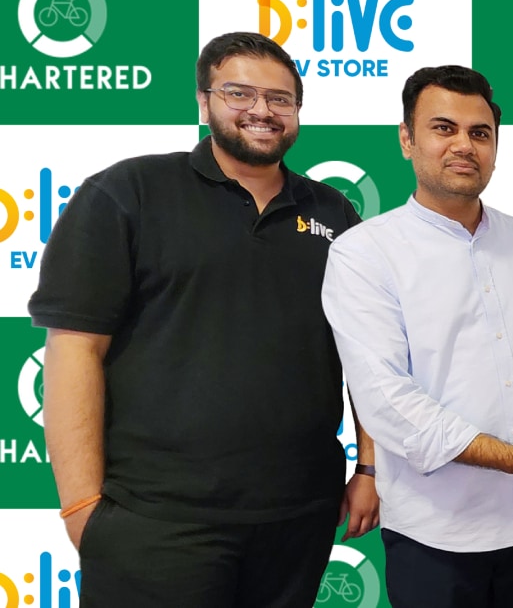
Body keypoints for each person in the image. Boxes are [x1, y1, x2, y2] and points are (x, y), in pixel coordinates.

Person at [29, 31, 380, 607]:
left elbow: (367, 353)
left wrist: (369, 467)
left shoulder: (334, 212)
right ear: (203, 101)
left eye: (280, 98)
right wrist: (81, 506)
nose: (262, 110)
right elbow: (74, 348)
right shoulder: (127, 193)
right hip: (156, 520)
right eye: (239, 93)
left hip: (299, 518)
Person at [320, 64, 513, 608]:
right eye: (444, 128)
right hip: (439, 532)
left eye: (480, 133)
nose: (464, 145)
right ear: (406, 139)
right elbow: (387, 401)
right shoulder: (363, 254)